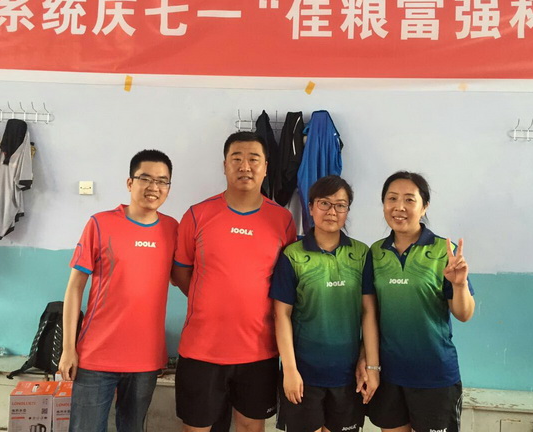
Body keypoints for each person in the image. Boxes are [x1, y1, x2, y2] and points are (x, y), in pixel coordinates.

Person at [171, 131, 297, 432]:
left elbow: (285, 286)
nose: (245, 166)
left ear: (266, 167)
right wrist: (210, 299)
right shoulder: (198, 215)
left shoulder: (282, 220)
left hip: (259, 351)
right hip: (201, 350)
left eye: (254, 159)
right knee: (197, 428)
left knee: (251, 426)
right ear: (225, 165)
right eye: (236, 159)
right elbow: (180, 272)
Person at [58, 149, 178, 432]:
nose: (154, 187)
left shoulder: (172, 229)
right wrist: (68, 349)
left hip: (145, 360)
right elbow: (75, 287)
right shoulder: (100, 223)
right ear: (130, 182)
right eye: (145, 178)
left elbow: (184, 279)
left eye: (162, 181)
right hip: (95, 356)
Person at [363, 171, 475, 432]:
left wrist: (459, 285)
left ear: (424, 206)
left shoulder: (443, 251)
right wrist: (371, 366)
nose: (399, 207)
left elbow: (464, 314)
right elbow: (370, 314)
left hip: (435, 375)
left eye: (409, 200)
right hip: (390, 375)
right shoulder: (376, 252)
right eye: (392, 198)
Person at [270, 175, 380, 432]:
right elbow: (281, 315)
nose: (332, 211)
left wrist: (371, 365)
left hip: (348, 375)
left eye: (340, 205)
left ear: (347, 210)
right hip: (304, 374)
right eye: (324, 203)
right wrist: (290, 370)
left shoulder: (361, 254)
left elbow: (369, 312)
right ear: (310, 207)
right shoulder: (293, 255)